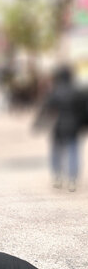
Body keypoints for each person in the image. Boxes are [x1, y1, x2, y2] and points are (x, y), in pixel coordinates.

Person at [34, 64, 84, 192]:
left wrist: (38, 124)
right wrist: (83, 124)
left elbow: (46, 108)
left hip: (57, 126)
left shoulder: (54, 91)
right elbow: (85, 110)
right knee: (73, 152)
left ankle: (57, 177)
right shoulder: (77, 91)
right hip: (74, 126)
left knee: (56, 152)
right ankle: (72, 179)